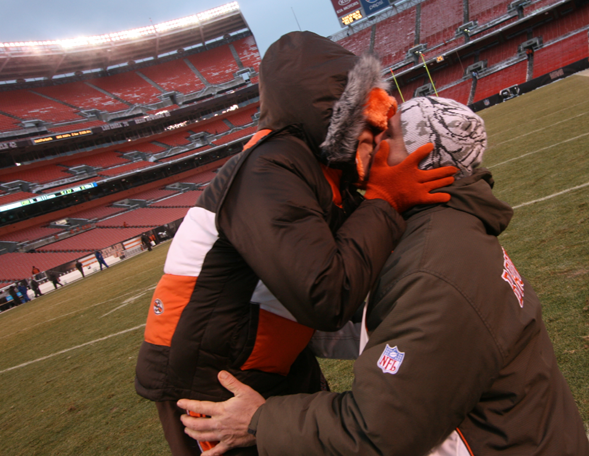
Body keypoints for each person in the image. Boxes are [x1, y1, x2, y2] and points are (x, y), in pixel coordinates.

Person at [179, 97, 589, 456]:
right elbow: (382, 324)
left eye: (387, 136)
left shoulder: (437, 266)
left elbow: (378, 430)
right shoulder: (442, 231)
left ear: (419, 158)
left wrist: (259, 421)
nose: (370, 143)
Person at [135, 32, 457, 456]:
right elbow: (326, 295)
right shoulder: (268, 169)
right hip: (211, 376)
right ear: (331, 113)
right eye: (366, 117)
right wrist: (384, 200)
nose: (376, 132)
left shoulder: (316, 164)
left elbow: (359, 252)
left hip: (268, 353)